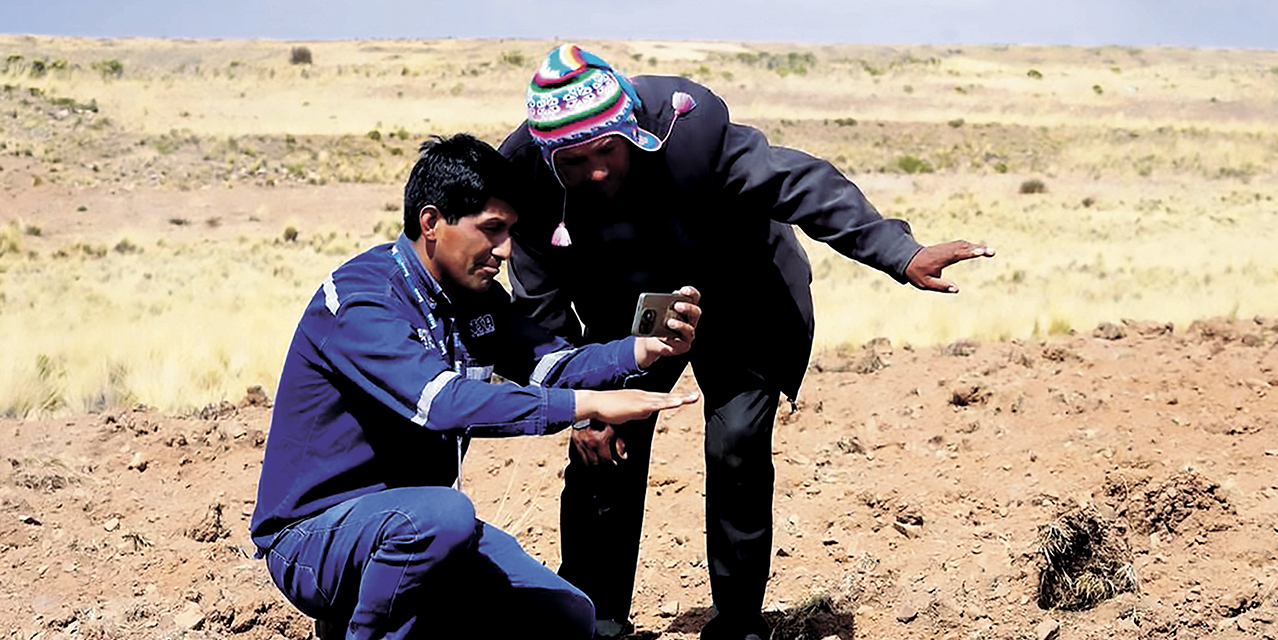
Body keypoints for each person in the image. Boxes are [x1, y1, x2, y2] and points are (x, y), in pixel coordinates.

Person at [499, 44, 996, 640]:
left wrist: (899, 251)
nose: (595, 172)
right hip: (632, 316)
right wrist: (578, 400)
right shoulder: (526, 178)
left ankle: (738, 622)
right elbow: (541, 301)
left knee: (737, 446)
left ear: (630, 129)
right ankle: (596, 618)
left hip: (740, 295)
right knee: (604, 447)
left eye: (606, 151)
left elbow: (801, 182)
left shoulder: (691, 133)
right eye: (573, 163)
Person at [249, 133, 704, 640]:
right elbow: (443, 402)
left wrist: (639, 351)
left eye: (511, 231)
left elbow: (550, 364)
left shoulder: (475, 298)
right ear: (431, 223)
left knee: (568, 617)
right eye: (492, 230)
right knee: (444, 516)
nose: (505, 251)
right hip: (315, 539)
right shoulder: (361, 300)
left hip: (414, 527)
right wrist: (587, 403)